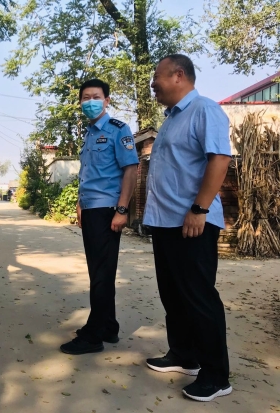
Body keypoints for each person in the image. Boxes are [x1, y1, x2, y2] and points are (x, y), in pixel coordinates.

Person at [143, 54, 232, 402]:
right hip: (165, 222)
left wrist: (199, 208)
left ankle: (216, 376)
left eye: (157, 77)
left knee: (198, 296)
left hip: (192, 221)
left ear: (178, 75)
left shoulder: (204, 109)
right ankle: (184, 355)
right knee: (173, 294)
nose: (153, 84)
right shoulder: (171, 119)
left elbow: (219, 159)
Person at [60, 79, 139, 355]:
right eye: (85, 97)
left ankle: (93, 335)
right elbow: (89, 174)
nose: (90, 101)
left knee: (102, 273)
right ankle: (108, 326)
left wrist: (122, 209)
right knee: (99, 270)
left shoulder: (118, 130)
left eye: (95, 96)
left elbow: (131, 169)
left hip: (107, 210)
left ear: (107, 100)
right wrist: (80, 204)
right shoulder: (90, 133)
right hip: (91, 209)